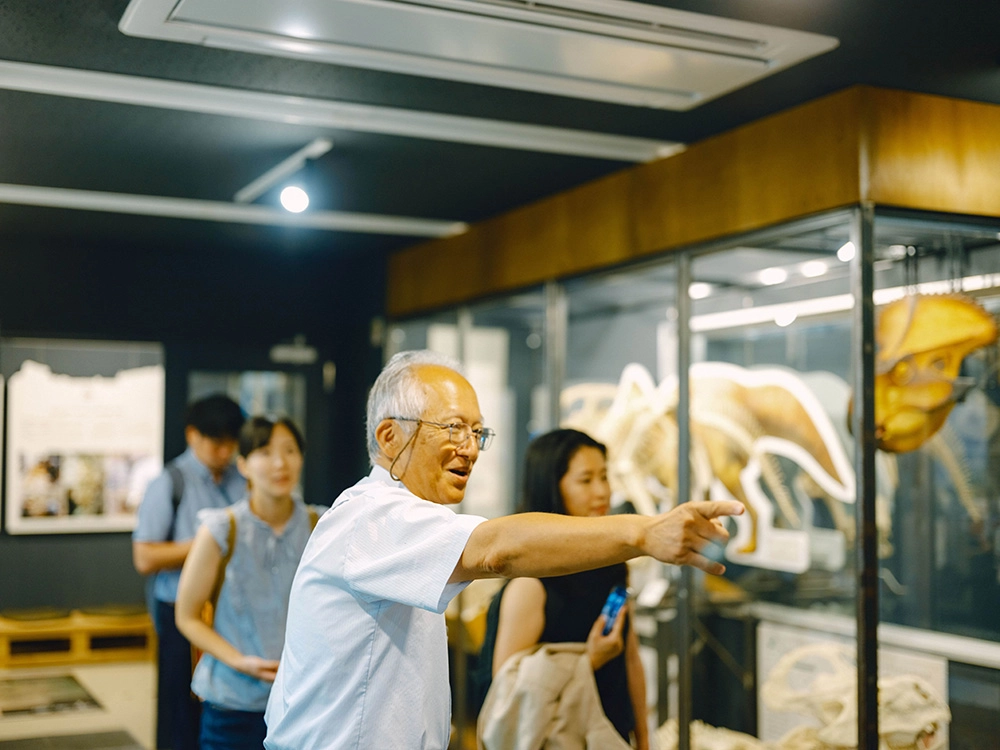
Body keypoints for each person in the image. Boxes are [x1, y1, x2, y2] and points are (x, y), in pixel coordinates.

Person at [263, 350, 742, 750]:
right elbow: (496, 549)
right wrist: (643, 533)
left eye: (478, 433)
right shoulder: (373, 517)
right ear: (390, 437)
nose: (470, 448)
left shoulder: (411, 522)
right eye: (453, 428)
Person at [473, 428, 649, 749]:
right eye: (585, 480)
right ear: (552, 487)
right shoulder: (530, 582)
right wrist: (589, 660)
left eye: (604, 477)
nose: (602, 492)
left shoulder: (612, 564)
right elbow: (509, 695)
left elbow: (631, 659)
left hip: (610, 733)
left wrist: (645, 738)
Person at [175, 416, 319, 750]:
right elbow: (187, 616)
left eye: (290, 450)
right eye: (265, 452)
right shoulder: (220, 529)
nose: (280, 463)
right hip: (233, 705)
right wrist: (238, 660)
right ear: (242, 464)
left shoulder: (321, 525)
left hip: (303, 704)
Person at [133, 394, 246, 750]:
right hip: (179, 612)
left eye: (231, 442)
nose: (225, 451)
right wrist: (208, 543)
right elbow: (144, 557)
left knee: (222, 704)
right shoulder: (169, 482)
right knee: (178, 707)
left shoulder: (241, 481)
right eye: (216, 441)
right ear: (193, 436)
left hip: (230, 610)